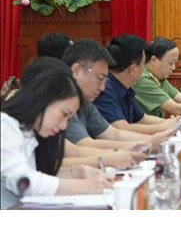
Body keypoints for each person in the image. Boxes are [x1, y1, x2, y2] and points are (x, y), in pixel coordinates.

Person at [1, 68, 112, 209]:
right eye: (64, 114)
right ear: (43, 100)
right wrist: (86, 186)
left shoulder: (31, 132)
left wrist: (77, 171)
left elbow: (38, 173)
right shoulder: (5, 125)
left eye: (68, 119)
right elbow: (25, 182)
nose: (63, 125)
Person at [20, 56, 148, 170]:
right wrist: (107, 159)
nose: (64, 125)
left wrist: (123, 151)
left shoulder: (49, 121)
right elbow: (38, 168)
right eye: (100, 78)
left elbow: (73, 152)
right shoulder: (12, 127)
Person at [62, 39, 171, 160]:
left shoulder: (86, 103)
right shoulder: (60, 101)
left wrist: (151, 141)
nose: (103, 88)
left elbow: (113, 134)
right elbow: (82, 145)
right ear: (77, 70)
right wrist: (136, 146)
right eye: (100, 78)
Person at [94, 34, 179, 134]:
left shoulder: (125, 88)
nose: (144, 69)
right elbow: (121, 129)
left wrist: (170, 122)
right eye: (143, 64)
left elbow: (142, 119)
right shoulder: (104, 88)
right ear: (133, 69)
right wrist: (164, 127)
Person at [133, 37, 181, 117]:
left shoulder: (159, 77)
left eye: (175, 63)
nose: (173, 68)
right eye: (170, 63)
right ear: (154, 60)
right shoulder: (142, 79)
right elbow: (175, 109)